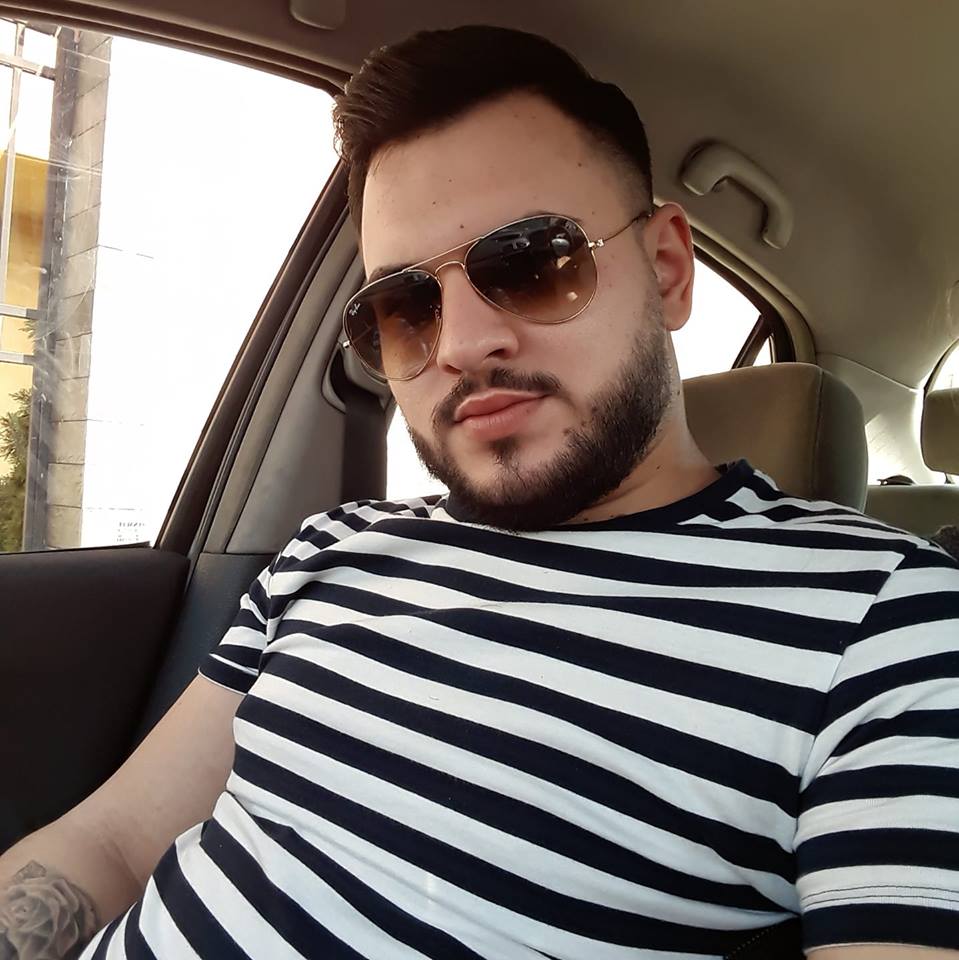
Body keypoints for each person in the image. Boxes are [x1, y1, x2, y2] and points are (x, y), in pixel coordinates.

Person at [1, 24, 958, 960]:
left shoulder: (886, 626)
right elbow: (112, 842)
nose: (460, 344)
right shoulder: (331, 550)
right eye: (403, 307)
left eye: (533, 264)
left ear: (667, 270)